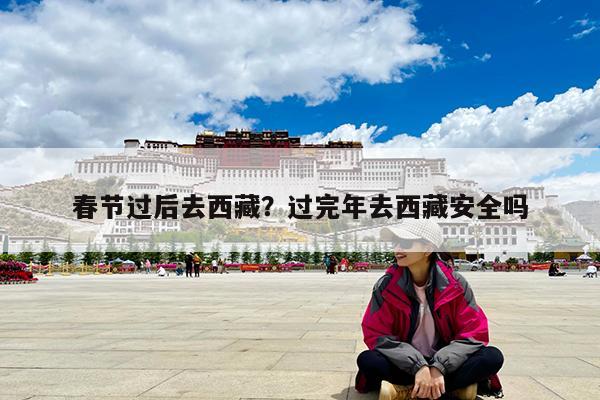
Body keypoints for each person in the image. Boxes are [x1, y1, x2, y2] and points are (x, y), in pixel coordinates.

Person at [356, 219, 503, 400]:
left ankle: (407, 390)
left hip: (445, 360)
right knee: (368, 360)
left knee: (492, 357)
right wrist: (418, 366)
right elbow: (377, 334)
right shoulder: (386, 286)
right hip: (405, 361)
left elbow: (474, 334)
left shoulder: (455, 284)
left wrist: (438, 366)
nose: (397, 248)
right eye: (395, 242)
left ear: (428, 249)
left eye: (405, 243)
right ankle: (448, 390)